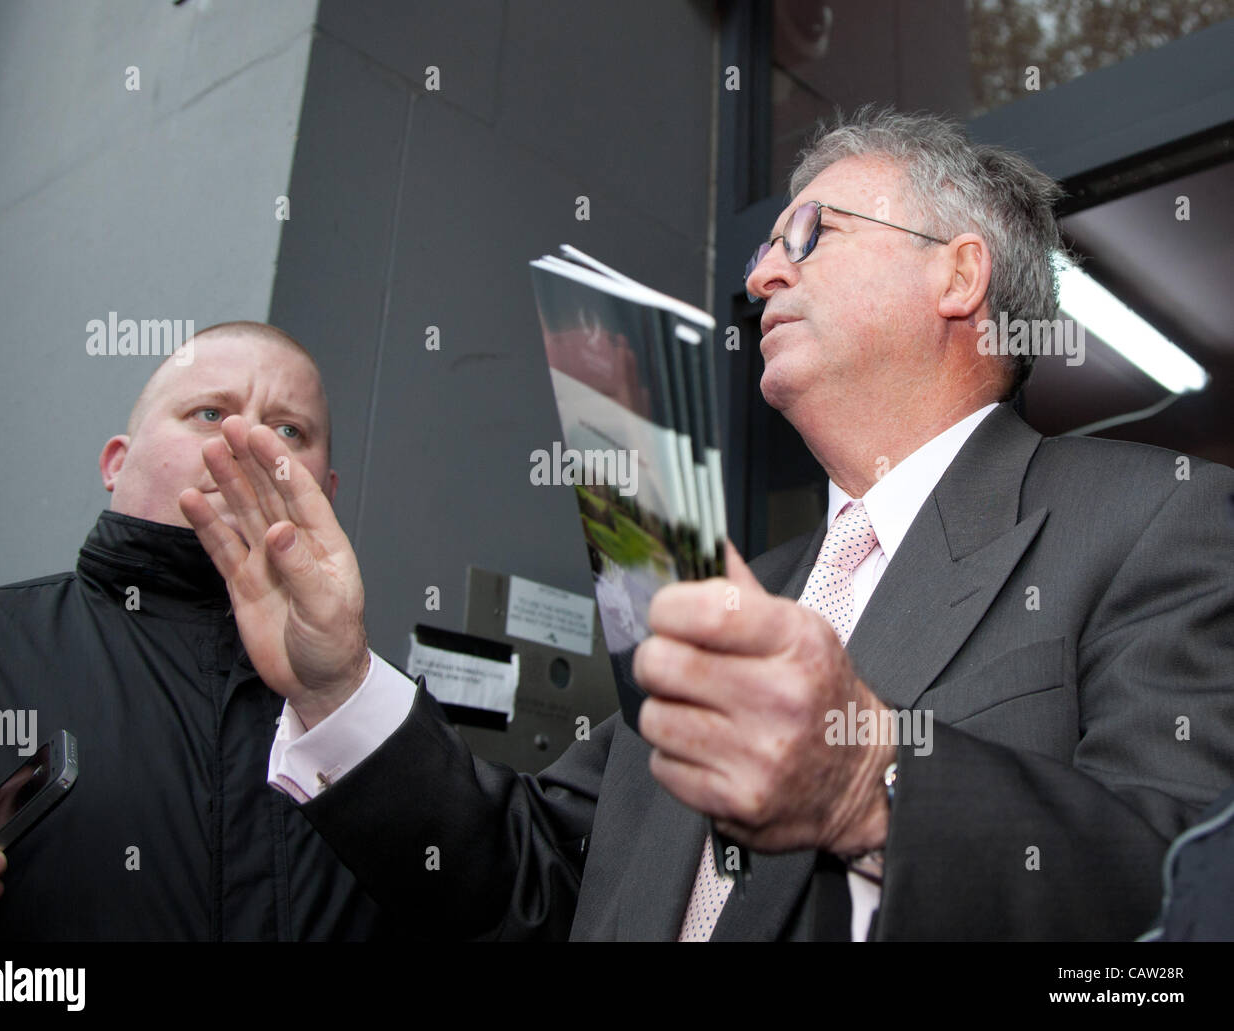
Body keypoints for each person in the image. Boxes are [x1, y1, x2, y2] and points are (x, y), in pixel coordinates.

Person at [185, 109, 1234, 941]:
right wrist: (337, 685)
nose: (759, 274)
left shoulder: (1157, 513)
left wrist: (872, 784)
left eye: (809, 236)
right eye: (766, 244)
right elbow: (533, 877)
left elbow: (1186, 881)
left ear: (958, 275)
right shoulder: (721, 584)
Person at [0, 321, 385, 940]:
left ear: (326, 493)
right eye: (208, 413)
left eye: (289, 431)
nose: (246, 441)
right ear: (116, 463)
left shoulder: (390, 721)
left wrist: (351, 692)